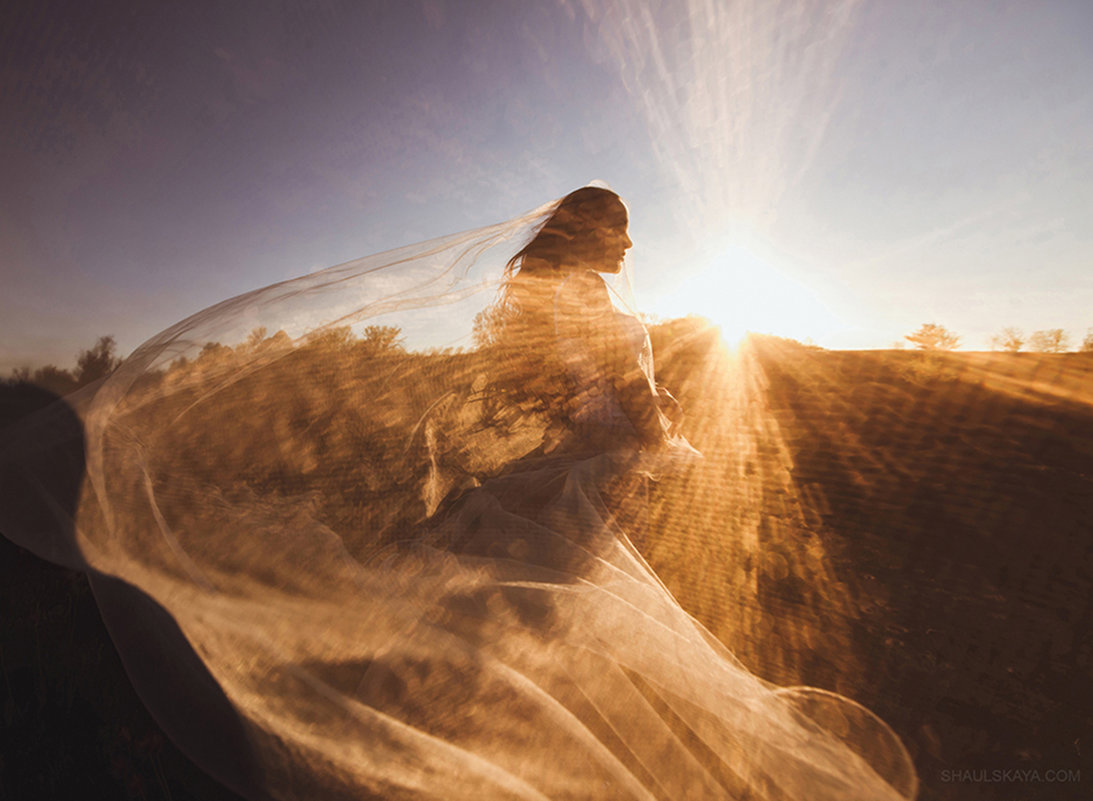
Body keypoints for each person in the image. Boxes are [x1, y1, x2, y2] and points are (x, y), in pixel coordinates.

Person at [0, 186, 918, 800]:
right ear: (588, 230)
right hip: (597, 465)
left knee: (536, 613)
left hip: (579, 455)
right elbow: (613, 398)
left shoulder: (547, 293)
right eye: (621, 226)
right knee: (573, 618)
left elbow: (574, 388)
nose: (633, 242)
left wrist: (638, 411)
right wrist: (660, 432)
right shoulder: (585, 301)